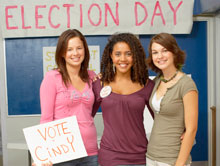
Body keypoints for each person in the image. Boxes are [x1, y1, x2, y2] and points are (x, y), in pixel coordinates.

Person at [34, 29, 98, 166]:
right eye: (69, 49)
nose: (75, 53)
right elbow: (46, 118)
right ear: (62, 53)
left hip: (90, 152)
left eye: (79, 48)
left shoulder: (91, 77)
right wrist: (42, 155)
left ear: (85, 50)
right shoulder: (52, 78)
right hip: (63, 153)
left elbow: (89, 112)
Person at [92, 33, 155, 166]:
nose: (123, 59)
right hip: (109, 156)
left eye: (128, 54)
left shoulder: (147, 85)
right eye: (118, 54)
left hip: (139, 156)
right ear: (111, 56)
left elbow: (160, 118)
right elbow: (85, 117)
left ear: (135, 56)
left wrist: (183, 131)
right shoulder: (99, 84)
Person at [146, 33, 198, 166]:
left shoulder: (186, 84)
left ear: (174, 52)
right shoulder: (158, 81)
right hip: (151, 155)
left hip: (173, 158)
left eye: (165, 50)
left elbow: (191, 129)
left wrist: (179, 164)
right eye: (155, 52)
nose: (160, 56)